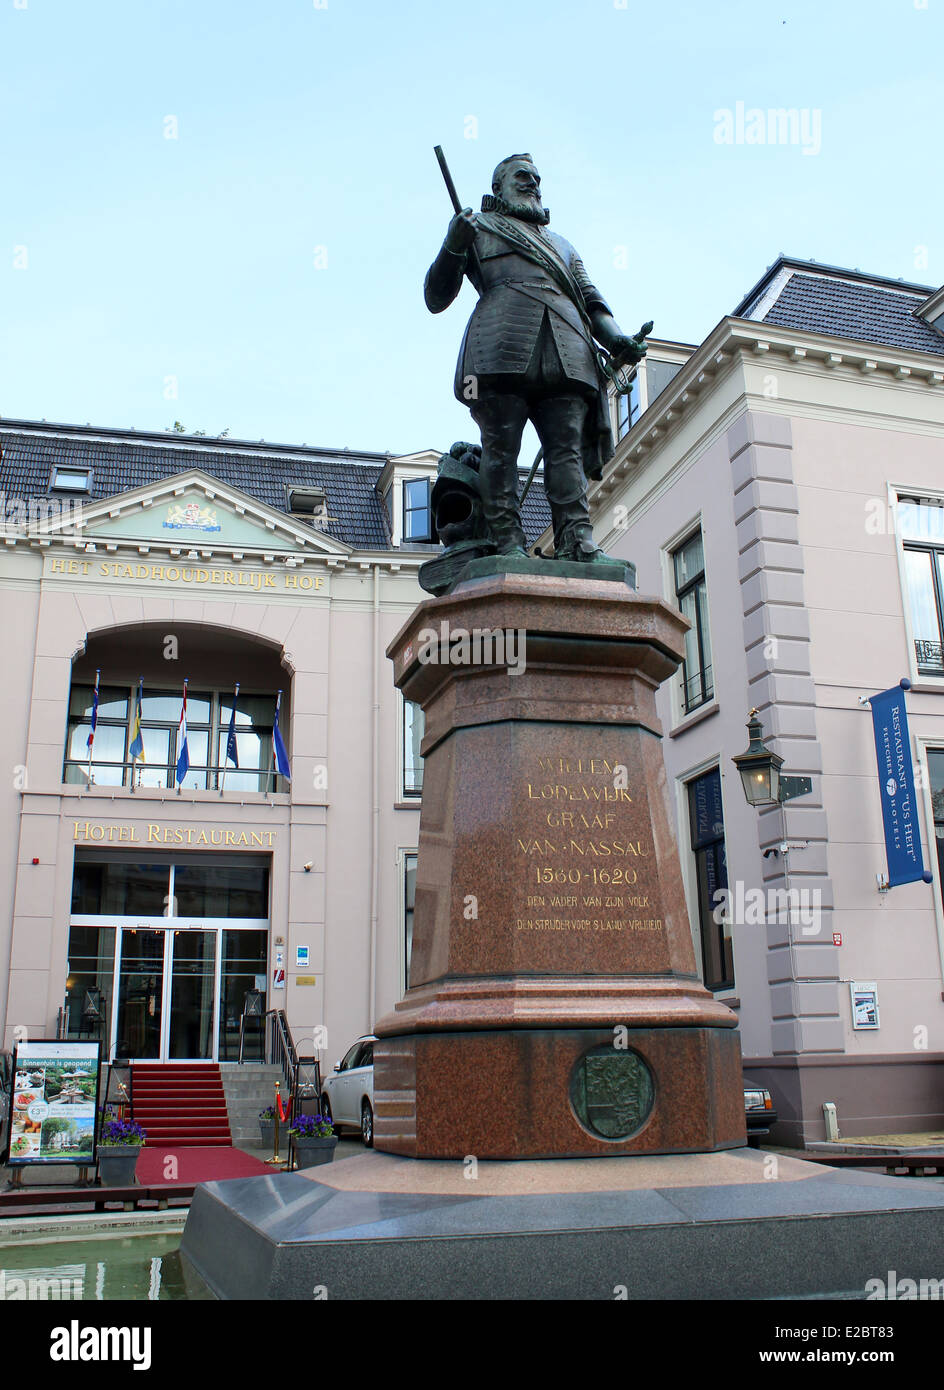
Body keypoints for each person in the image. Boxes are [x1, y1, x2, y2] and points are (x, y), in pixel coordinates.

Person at [425, 153, 647, 560]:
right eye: (523, 176)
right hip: (499, 348)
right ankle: (508, 542)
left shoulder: (563, 245)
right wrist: (452, 246)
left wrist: (617, 340)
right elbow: (436, 297)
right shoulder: (476, 229)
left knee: (568, 452)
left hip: (568, 349)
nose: (534, 184)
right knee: (500, 449)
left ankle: (576, 539)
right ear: (499, 186)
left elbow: (592, 302)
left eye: (537, 178)